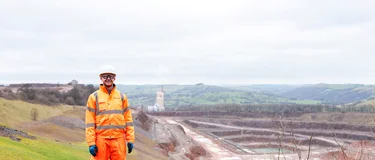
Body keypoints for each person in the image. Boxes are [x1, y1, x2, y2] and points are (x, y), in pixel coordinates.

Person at [85, 65, 135, 160]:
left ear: (114, 78)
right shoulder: (93, 97)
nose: (108, 79)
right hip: (101, 141)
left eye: (110, 76)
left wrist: (130, 139)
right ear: (101, 78)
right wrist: (91, 143)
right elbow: (89, 123)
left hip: (119, 140)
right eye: (105, 76)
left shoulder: (122, 97)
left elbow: (128, 120)